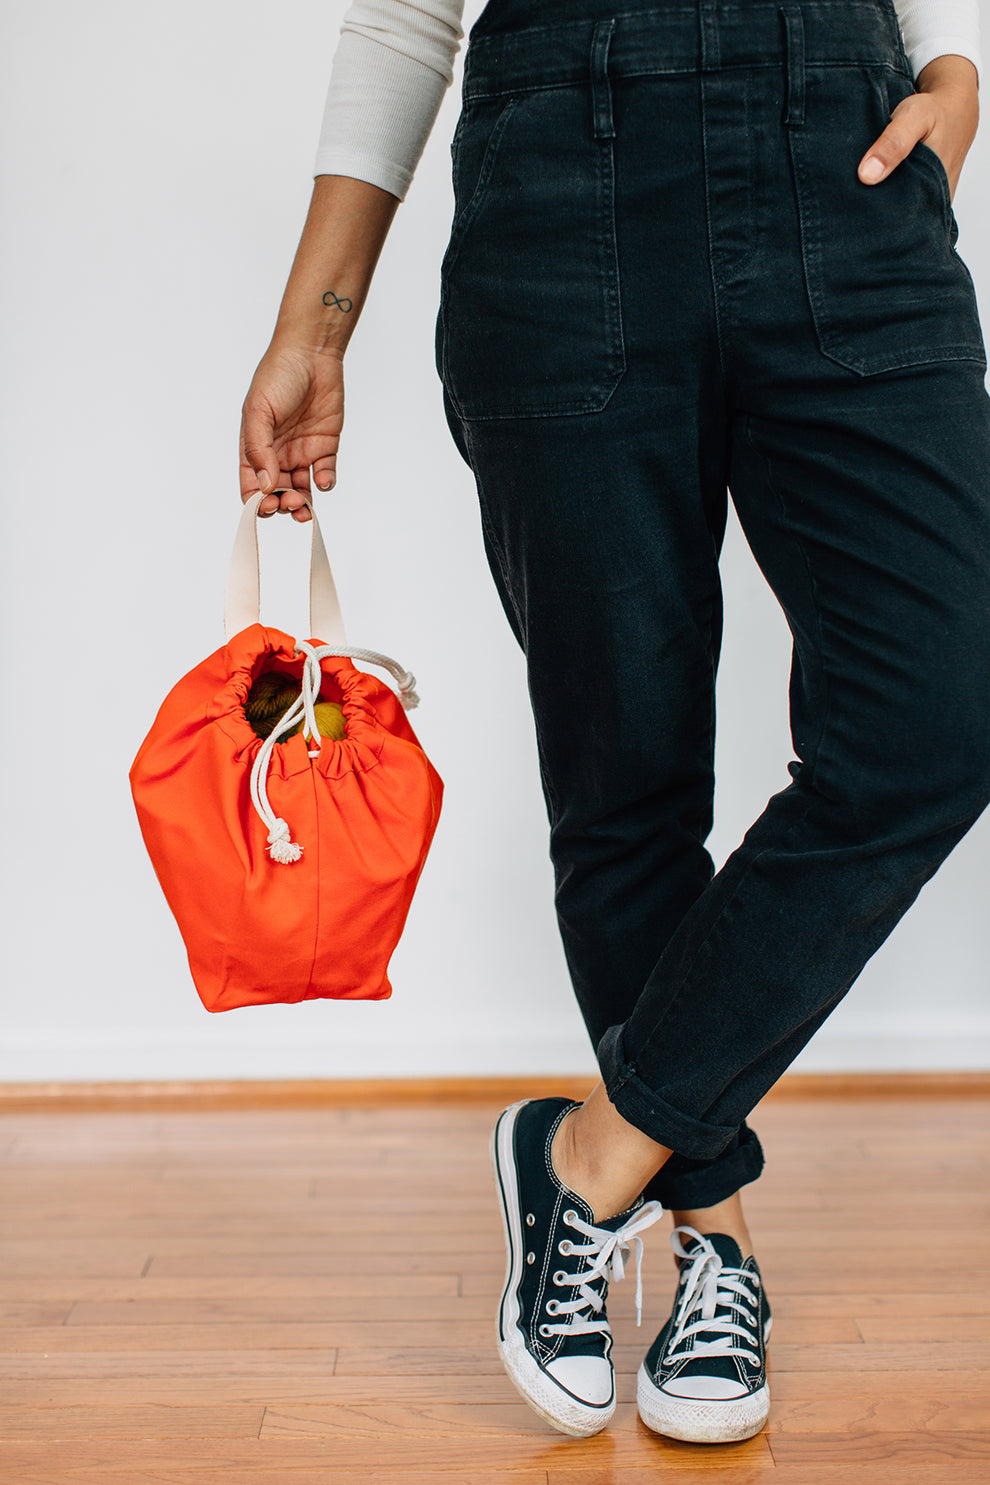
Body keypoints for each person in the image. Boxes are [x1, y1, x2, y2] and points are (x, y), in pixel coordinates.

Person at [238, 0, 988, 1446]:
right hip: (559, 181)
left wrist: (951, 65)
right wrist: (310, 324)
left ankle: (585, 1154)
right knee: (626, 770)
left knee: (933, 714)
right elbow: (406, 10)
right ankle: (715, 1240)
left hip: (842, 157)